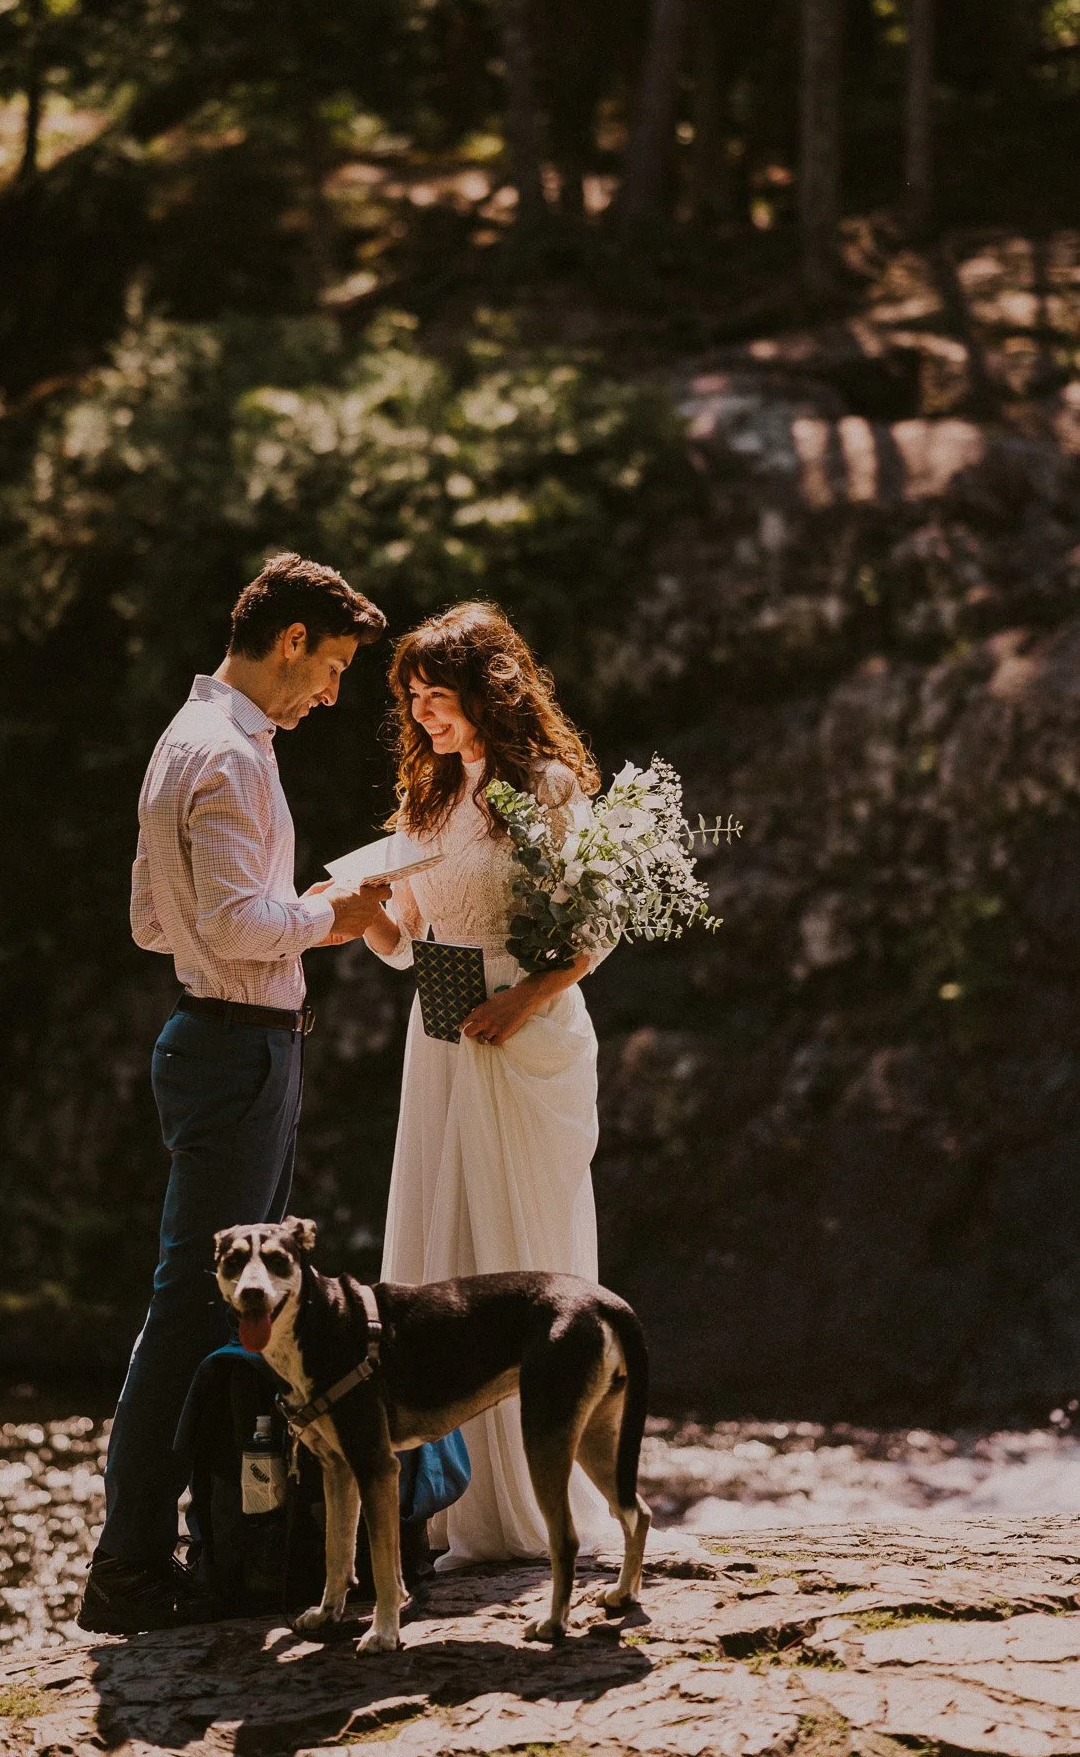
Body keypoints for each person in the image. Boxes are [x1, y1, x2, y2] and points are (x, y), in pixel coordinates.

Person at [78, 552, 391, 1634]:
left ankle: (229, 1540)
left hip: (218, 1041)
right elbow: (226, 928)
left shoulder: (186, 738)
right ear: (291, 639)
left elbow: (151, 921)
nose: (334, 693)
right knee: (191, 1310)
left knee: (233, 1312)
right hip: (236, 1051)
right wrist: (328, 917)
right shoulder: (228, 755)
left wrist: (278, 912)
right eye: (335, 666)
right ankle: (128, 1567)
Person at [364, 601, 620, 1568]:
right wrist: (363, 914)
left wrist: (522, 1003)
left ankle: (540, 1496)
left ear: (489, 689)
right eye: (414, 700)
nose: (425, 715)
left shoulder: (547, 786)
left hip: (524, 1034)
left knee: (521, 1247)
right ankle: (458, 1503)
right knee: (443, 1251)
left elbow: (594, 930)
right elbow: (405, 944)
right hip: (438, 1040)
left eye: (439, 695)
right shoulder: (424, 799)